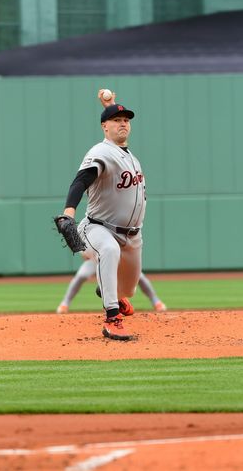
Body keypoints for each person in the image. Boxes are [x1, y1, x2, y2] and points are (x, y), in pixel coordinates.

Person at [58, 89, 147, 340]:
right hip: (99, 227)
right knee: (108, 251)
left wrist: (111, 106)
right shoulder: (101, 151)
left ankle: (113, 295)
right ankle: (112, 318)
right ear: (104, 127)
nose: (123, 124)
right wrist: (68, 212)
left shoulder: (131, 158)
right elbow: (80, 181)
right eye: (117, 121)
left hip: (132, 236)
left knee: (128, 289)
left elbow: (115, 115)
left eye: (126, 120)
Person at [57, 251, 166, 314]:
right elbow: (84, 249)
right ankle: (64, 304)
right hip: (96, 260)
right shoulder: (92, 222)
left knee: (139, 276)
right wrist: (84, 251)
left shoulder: (115, 222)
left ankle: (156, 302)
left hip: (117, 259)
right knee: (81, 275)